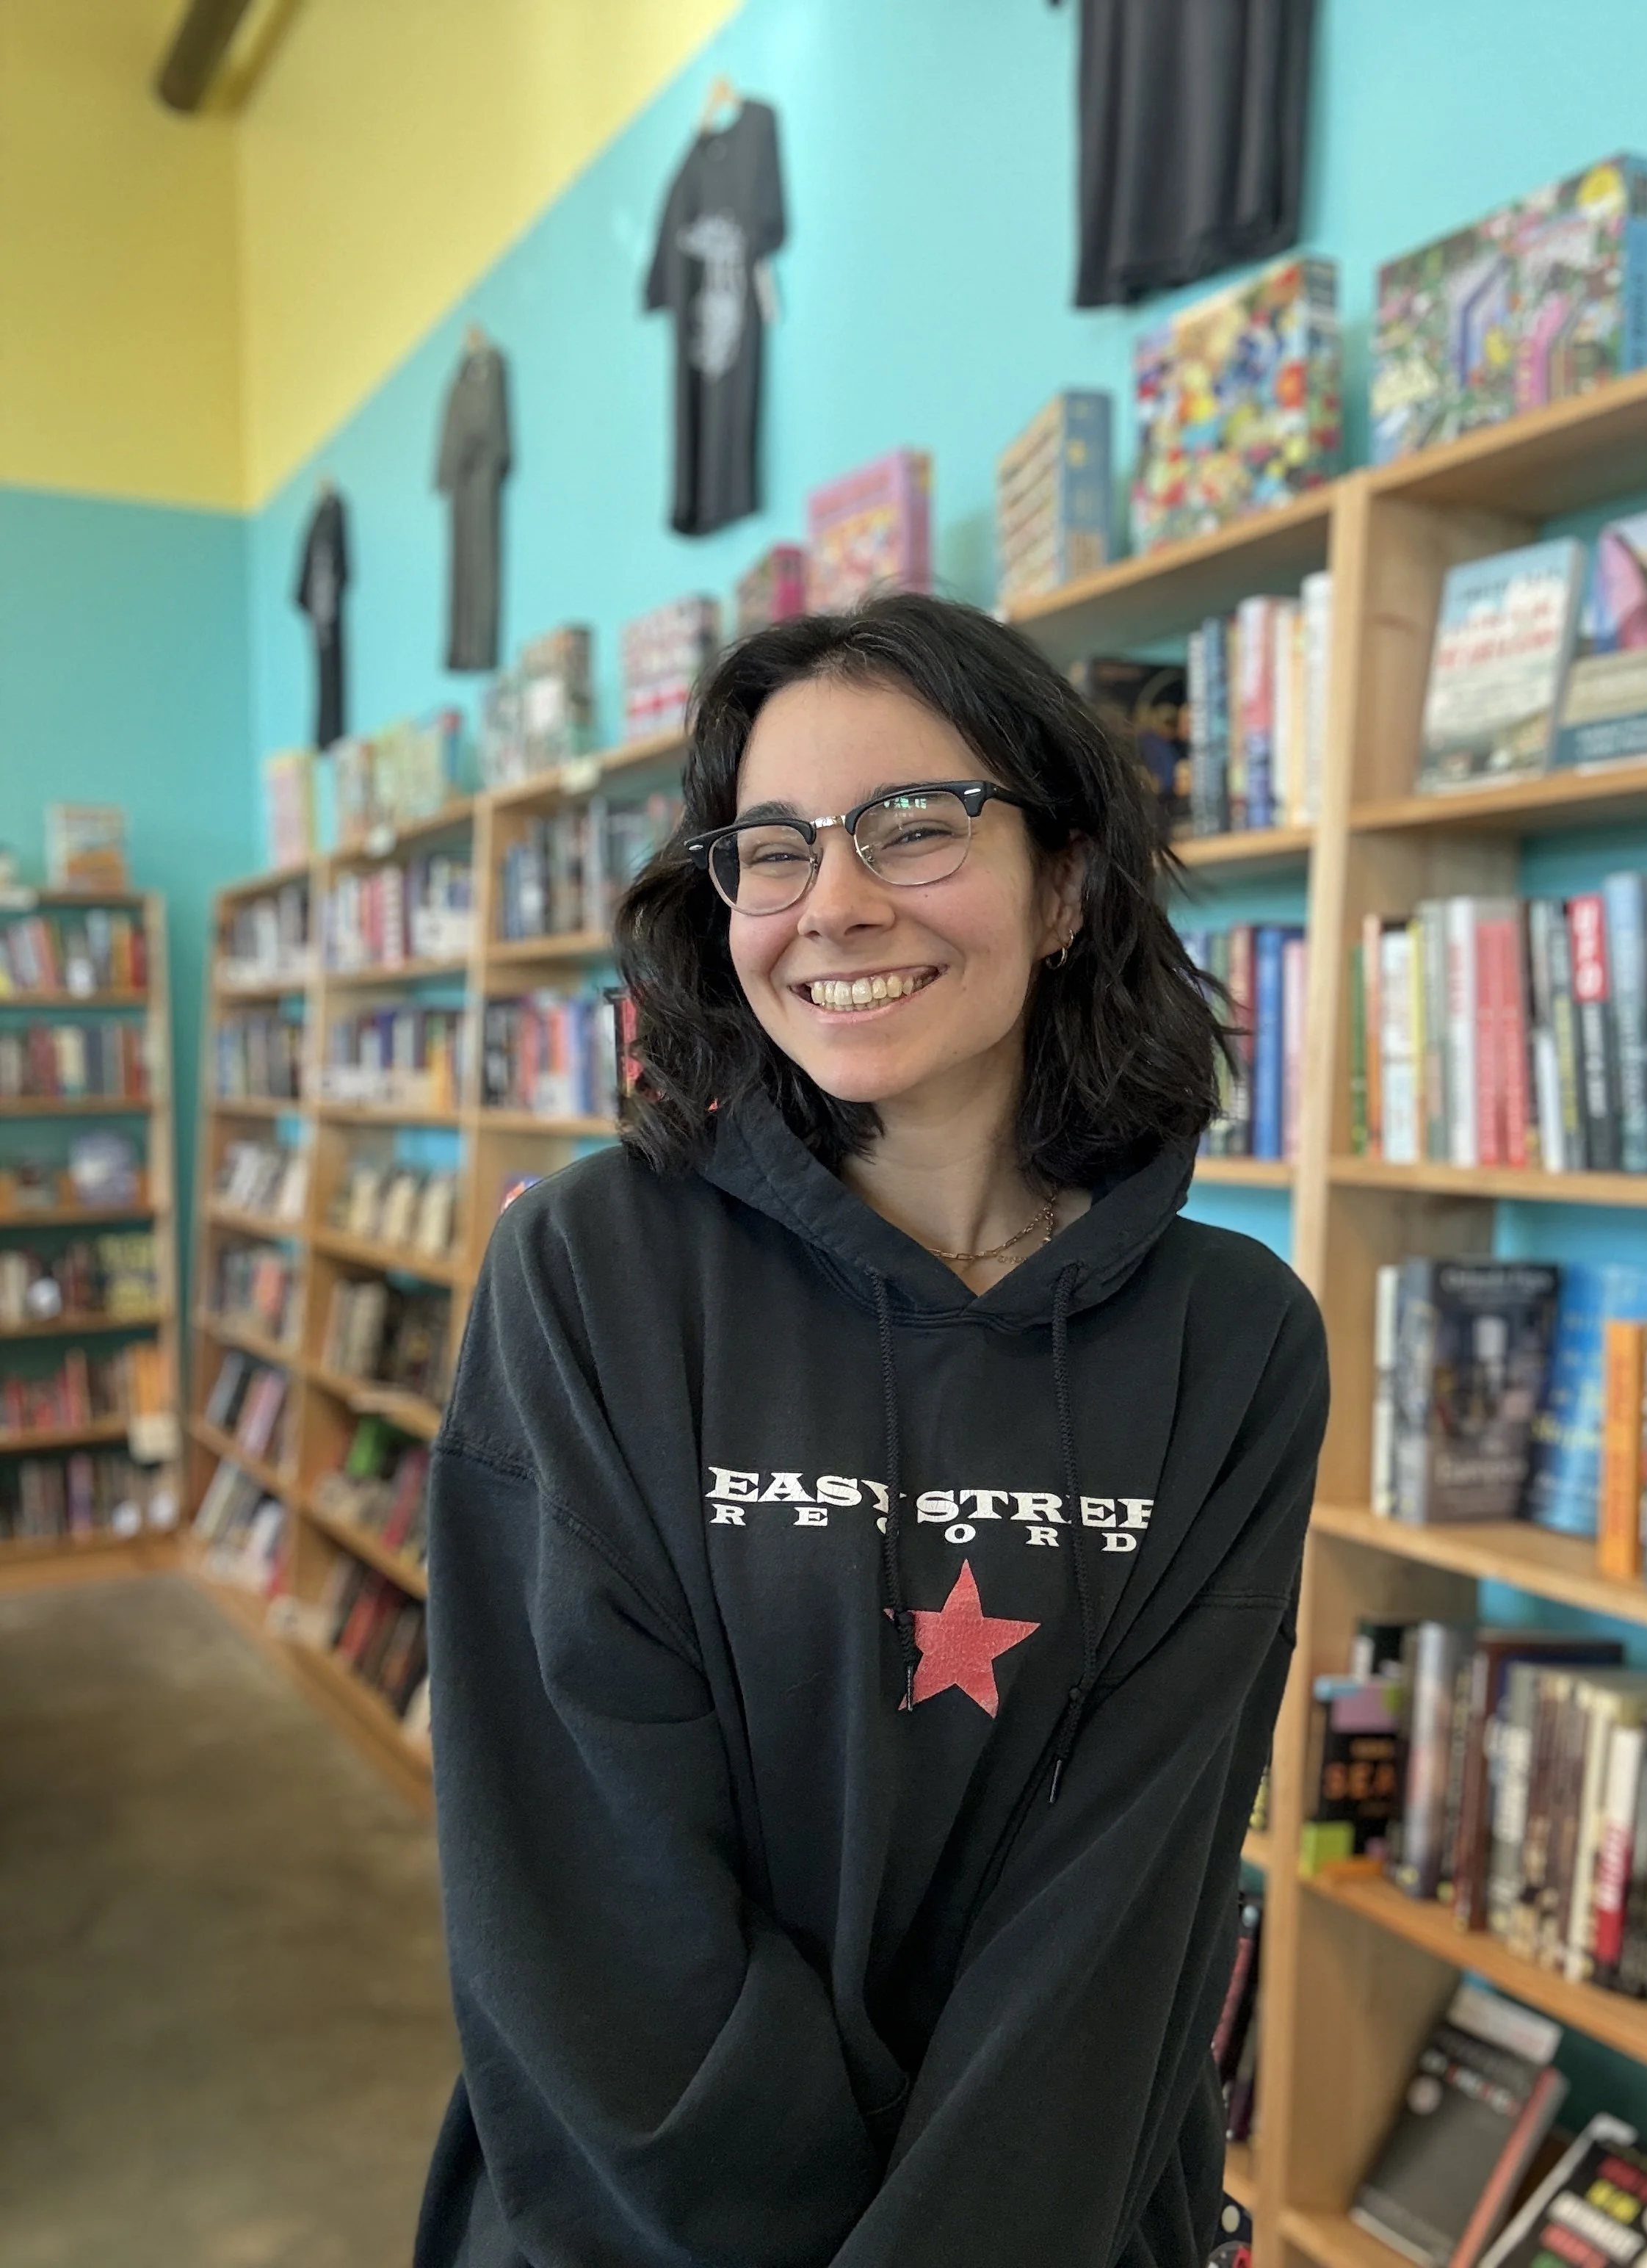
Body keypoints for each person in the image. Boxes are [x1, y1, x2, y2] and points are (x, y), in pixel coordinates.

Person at [415, 593, 1328, 2268]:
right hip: (630, 2220)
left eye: (915, 825)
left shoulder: (1237, 1341)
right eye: (773, 848)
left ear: (1065, 884)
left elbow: (1130, 1909)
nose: (831, 902)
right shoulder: (591, 1269)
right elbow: (575, 1871)